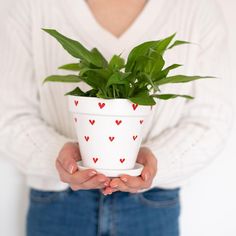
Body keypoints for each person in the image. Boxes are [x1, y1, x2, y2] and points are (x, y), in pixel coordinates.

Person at [0, 0, 232, 235]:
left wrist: (153, 163)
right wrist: (60, 158)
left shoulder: (196, 8)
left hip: (153, 205)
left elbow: (211, 121)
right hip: (59, 205)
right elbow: (9, 116)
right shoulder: (33, 6)